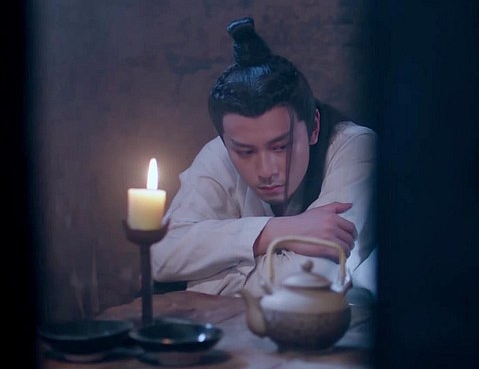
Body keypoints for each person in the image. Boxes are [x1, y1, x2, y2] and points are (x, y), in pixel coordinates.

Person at [151, 17, 376, 297]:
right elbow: (159, 256)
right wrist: (275, 231)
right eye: (245, 152)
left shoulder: (354, 148)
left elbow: (312, 281)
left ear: (314, 128)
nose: (266, 170)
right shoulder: (219, 154)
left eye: (281, 147)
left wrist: (198, 281)